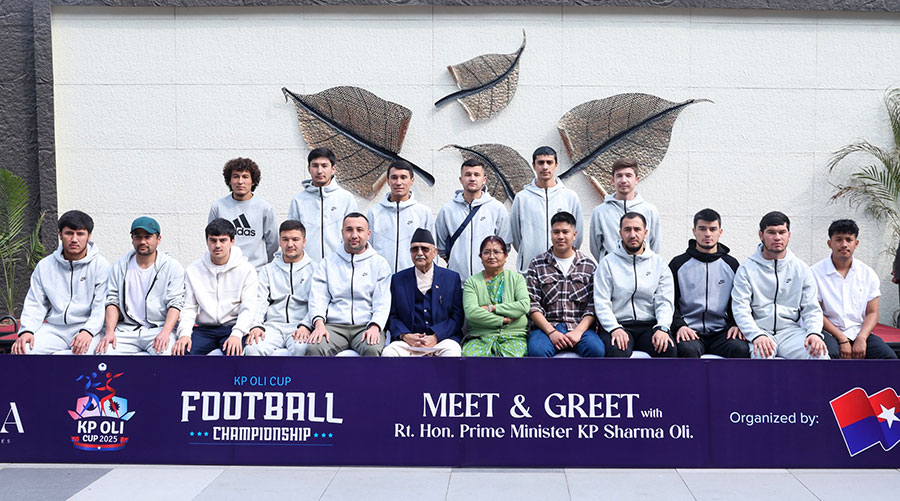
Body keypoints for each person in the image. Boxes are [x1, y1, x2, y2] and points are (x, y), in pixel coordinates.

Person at [731, 211, 828, 360]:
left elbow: (811, 308)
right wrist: (756, 335)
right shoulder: (746, 269)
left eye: (782, 232)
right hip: (760, 331)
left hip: (791, 332)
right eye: (771, 232)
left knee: (819, 354)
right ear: (761, 235)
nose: (777, 237)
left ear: (789, 235)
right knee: (762, 355)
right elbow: (740, 308)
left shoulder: (801, 269)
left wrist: (814, 333)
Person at [12, 210, 109, 355]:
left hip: (87, 329)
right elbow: (35, 303)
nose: (74, 239)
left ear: (89, 236)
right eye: (69, 233)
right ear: (60, 234)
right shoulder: (45, 265)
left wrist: (88, 331)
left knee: (83, 353)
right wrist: (27, 331)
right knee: (23, 350)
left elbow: (100, 306)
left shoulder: (100, 265)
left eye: (80, 234)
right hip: (54, 329)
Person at [306, 213, 392, 356]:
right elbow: (318, 297)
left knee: (372, 349)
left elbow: (382, 301)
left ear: (368, 234)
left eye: (359, 230)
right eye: (349, 230)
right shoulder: (327, 263)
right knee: (314, 348)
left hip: (365, 326)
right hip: (333, 327)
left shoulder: (379, 264)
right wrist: (319, 324)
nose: (354, 235)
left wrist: (375, 326)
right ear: (342, 233)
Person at [97, 217, 184, 355]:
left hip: (159, 329)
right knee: (104, 353)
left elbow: (175, 303)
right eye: (138, 237)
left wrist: (165, 332)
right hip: (127, 330)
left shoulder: (171, 266)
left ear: (158, 239)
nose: (142, 241)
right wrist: (109, 332)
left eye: (148, 237)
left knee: (166, 354)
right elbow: (113, 301)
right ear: (132, 239)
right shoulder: (120, 266)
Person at [668, 209, 748, 358]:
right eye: (702, 229)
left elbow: (739, 301)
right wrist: (679, 326)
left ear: (720, 232)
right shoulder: (678, 264)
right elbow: (669, 302)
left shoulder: (731, 265)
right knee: (688, 350)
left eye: (712, 229)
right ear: (694, 231)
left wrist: (735, 324)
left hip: (722, 332)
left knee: (740, 348)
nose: (707, 234)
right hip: (689, 331)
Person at [812, 219, 897, 359]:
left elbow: (872, 312)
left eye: (849, 239)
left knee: (889, 359)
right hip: (828, 332)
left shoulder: (867, 273)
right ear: (829, 243)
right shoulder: (814, 273)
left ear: (856, 243)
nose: (844, 244)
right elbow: (815, 312)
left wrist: (862, 337)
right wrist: (842, 339)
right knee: (829, 355)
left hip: (858, 332)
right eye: (838, 239)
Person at [593, 212, 675, 358]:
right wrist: (614, 328)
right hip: (618, 324)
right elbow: (601, 301)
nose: (632, 235)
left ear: (645, 232)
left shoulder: (659, 264)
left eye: (637, 229)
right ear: (620, 233)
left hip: (649, 325)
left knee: (667, 348)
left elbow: (665, 301)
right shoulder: (607, 263)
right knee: (617, 350)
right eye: (627, 230)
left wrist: (662, 327)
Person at [173, 219, 258, 356]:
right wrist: (184, 334)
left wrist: (237, 334)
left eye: (223, 240)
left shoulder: (246, 269)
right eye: (213, 240)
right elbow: (189, 307)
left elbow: (248, 307)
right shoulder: (194, 270)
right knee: (182, 353)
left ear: (232, 241)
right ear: (206, 241)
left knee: (233, 354)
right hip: (205, 330)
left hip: (232, 327)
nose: (217, 245)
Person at [526, 212, 604, 358]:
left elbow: (593, 305)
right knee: (538, 351)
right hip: (546, 328)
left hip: (579, 327)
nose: (560, 236)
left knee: (596, 350)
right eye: (556, 232)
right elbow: (532, 304)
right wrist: (551, 332)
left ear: (574, 235)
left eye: (565, 232)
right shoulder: (537, 264)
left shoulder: (588, 266)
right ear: (551, 234)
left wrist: (578, 331)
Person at [383, 228, 464, 357]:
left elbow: (457, 316)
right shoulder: (398, 279)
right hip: (408, 342)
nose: (419, 253)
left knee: (452, 353)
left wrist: (436, 337)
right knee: (389, 353)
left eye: (425, 249)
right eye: (414, 249)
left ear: (435, 252)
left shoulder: (451, 278)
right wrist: (406, 336)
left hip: (442, 340)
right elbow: (392, 316)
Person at [244, 220, 316, 357]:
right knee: (252, 349)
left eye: (295, 239)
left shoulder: (315, 269)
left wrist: (306, 325)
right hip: (272, 327)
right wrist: (256, 325)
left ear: (304, 241)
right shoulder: (268, 270)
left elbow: (317, 303)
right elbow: (260, 300)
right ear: (280, 242)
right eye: (285, 239)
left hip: (300, 326)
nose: (290, 244)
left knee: (303, 348)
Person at [510, 146, 584, 272]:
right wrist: (527, 252)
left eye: (549, 162)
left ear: (556, 165)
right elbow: (516, 236)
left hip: (562, 269)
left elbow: (578, 234)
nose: (545, 167)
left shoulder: (569, 196)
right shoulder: (522, 198)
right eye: (540, 163)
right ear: (534, 166)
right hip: (530, 269)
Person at [435, 159, 511, 280]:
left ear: (484, 179)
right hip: (457, 281)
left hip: (488, 281)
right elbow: (440, 246)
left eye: (476, 175)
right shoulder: (447, 210)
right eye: (468, 174)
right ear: (461, 179)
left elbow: (505, 245)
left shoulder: (496, 208)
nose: (472, 178)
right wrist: (454, 262)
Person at [461, 236, 530, 357]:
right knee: (472, 357)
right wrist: (504, 320)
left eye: (497, 252)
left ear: (505, 256)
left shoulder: (517, 279)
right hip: (480, 336)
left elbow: (523, 306)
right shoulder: (472, 282)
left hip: (513, 336)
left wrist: (492, 308)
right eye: (487, 252)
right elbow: (471, 313)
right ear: (481, 257)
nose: (491, 256)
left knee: (514, 359)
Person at [287, 147, 358, 261]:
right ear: (309, 169)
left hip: (339, 264)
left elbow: (353, 233)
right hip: (307, 266)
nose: (319, 171)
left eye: (324, 166)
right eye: (315, 166)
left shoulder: (346, 198)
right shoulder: (298, 200)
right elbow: (292, 234)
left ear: (333, 169)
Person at [208, 157, 277, 270]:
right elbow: (211, 239)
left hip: (256, 271)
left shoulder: (264, 208)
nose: (240, 181)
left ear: (253, 181)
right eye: (236, 176)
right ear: (229, 180)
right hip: (226, 270)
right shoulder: (218, 207)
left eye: (245, 176)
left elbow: (273, 244)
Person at [367, 160, 435, 274]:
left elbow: (431, 250)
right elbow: (368, 248)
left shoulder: (423, 212)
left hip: (413, 278)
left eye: (403, 177)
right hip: (382, 278)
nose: (398, 182)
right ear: (388, 181)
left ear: (412, 180)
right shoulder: (374, 212)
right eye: (394, 178)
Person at [589, 158, 660, 261]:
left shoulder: (650, 210)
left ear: (636, 180)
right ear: (613, 180)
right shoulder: (600, 212)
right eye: (619, 176)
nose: (623, 180)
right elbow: (595, 247)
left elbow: (654, 246)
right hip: (611, 268)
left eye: (628, 175)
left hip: (642, 267)